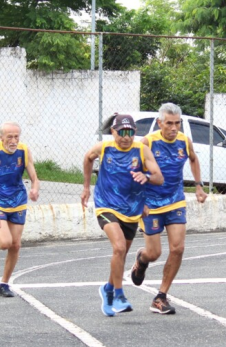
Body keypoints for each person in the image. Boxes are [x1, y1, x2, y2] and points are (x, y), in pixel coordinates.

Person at [81, 113, 163, 317]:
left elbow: (159, 178)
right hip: (106, 204)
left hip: (131, 209)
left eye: (130, 133)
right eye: (121, 133)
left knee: (121, 254)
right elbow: (87, 158)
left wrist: (146, 176)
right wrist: (86, 187)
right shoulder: (104, 147)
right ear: (113, 132)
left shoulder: (142, 151)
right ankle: (119, 295)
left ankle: (107, 289)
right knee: (118, 247)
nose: (126, 137)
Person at [129, 103, 207, 315]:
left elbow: (194, 159)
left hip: (175, 201)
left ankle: (161, 296)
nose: (174, 128)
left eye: (177, 124)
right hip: (151, 204)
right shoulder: (148, 142)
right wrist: (139, 201)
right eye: (169, 124)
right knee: (154, 253)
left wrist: (198, 186)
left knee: (178, 248)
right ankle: (142, 259)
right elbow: (134, 172)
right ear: (160, 123)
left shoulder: (184, 141)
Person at [0, 121, 40, 297]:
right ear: (1, 138)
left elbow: (34, 177)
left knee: (15, 245)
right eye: (10, 137)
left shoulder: (23, 151)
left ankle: (4, 283)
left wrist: (34, 189)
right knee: (5, 242)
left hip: (18, 200)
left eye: (16, 136)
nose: (13, 140)